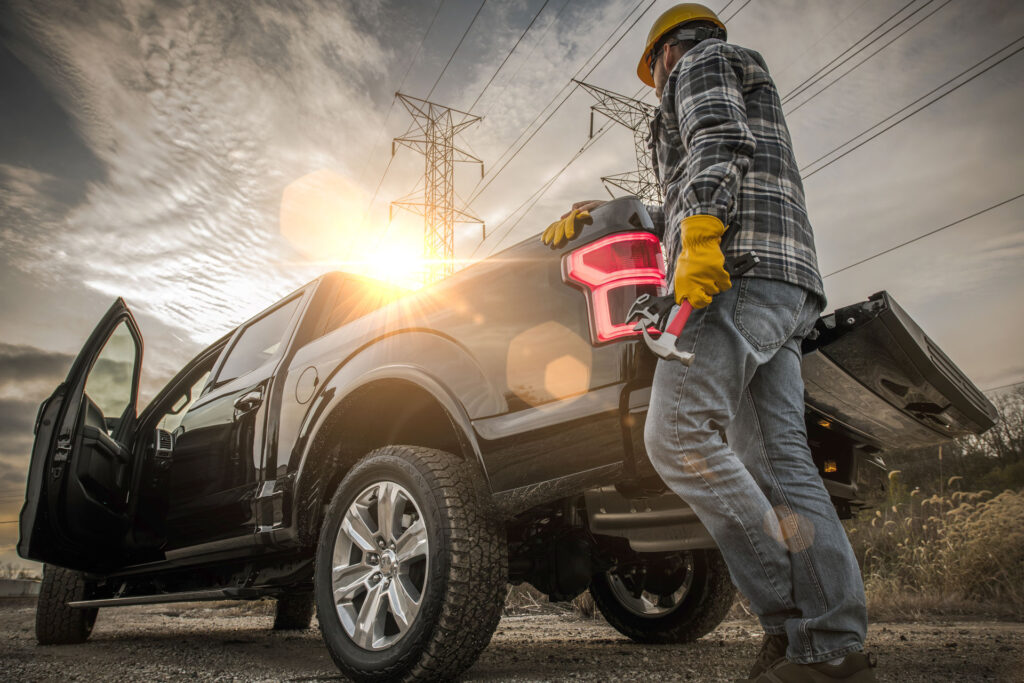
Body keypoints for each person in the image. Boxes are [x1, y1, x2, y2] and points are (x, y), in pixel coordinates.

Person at [542, 4, 876, 682]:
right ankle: (831, 644)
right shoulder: (742, 72)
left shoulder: (697, 63)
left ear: (664, 52)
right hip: (786, 282)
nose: (654, 84)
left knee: (678, 437)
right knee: (780, 461)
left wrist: (698, 239)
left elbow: (717, 142)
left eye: (650, 71)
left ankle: (794, 625)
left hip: (735, 274)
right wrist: (602, 216)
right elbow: (706, 177)